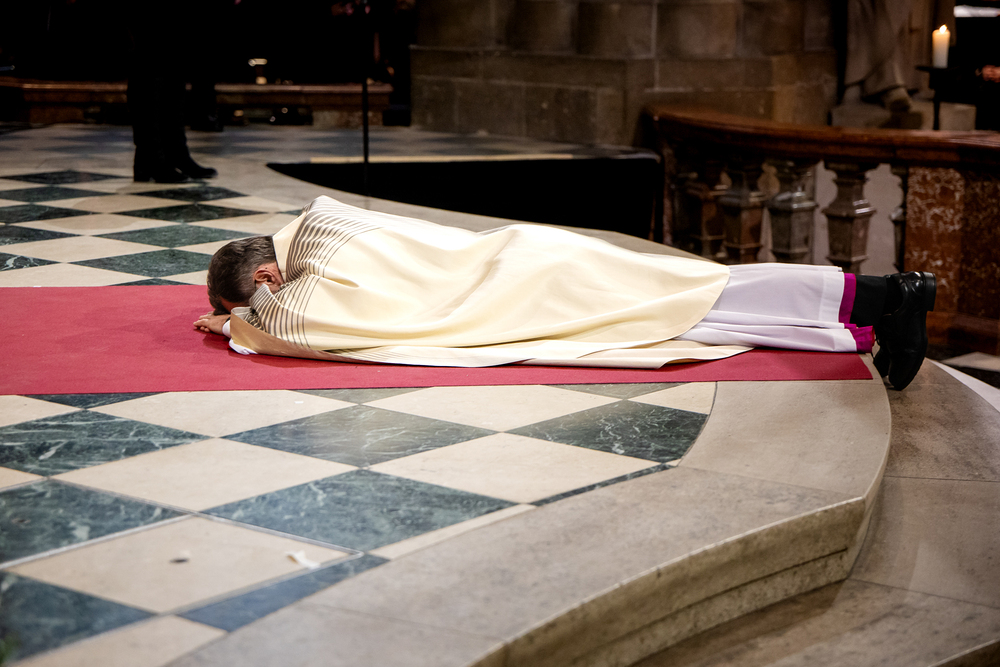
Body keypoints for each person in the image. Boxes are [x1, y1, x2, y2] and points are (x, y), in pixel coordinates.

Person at [194, 197, 935, 390]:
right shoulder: (320, 222)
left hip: (531, 284)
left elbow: (294, 327)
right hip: (528, 259)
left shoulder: (304, 277)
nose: (256, 313)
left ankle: (890, 296)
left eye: (249, 301)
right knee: (704, 291)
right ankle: (879, 306)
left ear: (263, 278)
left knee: (703, 299)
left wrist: (233, 326)